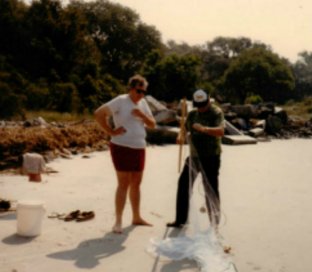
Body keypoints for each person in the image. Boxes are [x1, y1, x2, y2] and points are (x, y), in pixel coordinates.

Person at [94, 75, 156, 234]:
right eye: (138, 90)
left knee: (136, 183)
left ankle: (136, 217)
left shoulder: (143, 103)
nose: (141, 94)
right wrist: (110, 131)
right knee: (123, 183)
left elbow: (153, 125)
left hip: (139, 147)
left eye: (143, 91)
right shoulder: (121, 101)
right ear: (130, 88)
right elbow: (99, 113)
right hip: (122, 146)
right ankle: (118, 221)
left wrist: (143, 115)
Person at [167, 89, 225, 228]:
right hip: (194, 156)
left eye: (203, 104)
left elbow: (221, 131)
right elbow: (185, 128)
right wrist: (180, 136)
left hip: (211, 156)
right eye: (198, 105)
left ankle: (214, 222)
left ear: (209, 99)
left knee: (210, 189)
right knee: (183, 184)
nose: (201, 108)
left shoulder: (216, 112)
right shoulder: (192, 114)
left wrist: (204, 129)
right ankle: (181, 219)